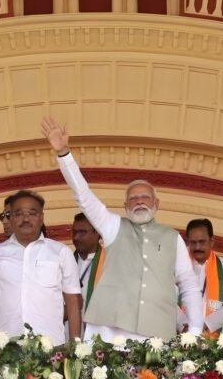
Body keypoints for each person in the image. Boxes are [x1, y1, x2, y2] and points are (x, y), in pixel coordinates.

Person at [41, 117, 203, 340]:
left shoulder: (172, 237)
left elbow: (188, 284)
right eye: (133, 199)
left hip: (155, 334)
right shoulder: (113, 226)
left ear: (157, 204)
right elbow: (84, 197)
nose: (139, 202)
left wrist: (195, 330)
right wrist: (64, 154)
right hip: (108, 331)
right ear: (125, 206)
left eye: (145, 197)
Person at [0, 190, 82, 343]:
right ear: (10, 218)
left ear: (41, 218)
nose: (25, 219)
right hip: (7, 347)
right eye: (18, 214)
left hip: (51, 346)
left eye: (32, 213)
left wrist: (75, 343)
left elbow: (73, 301)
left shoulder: (60, 252)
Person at [182, 218, 223, 336]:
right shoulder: (179, 267)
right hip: (181, 335)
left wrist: (205, 324)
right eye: (193, 242)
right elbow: (169, 301)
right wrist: (182, 323)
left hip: (214, 339)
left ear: (211, 241)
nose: (197, 247)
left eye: (202, 241)